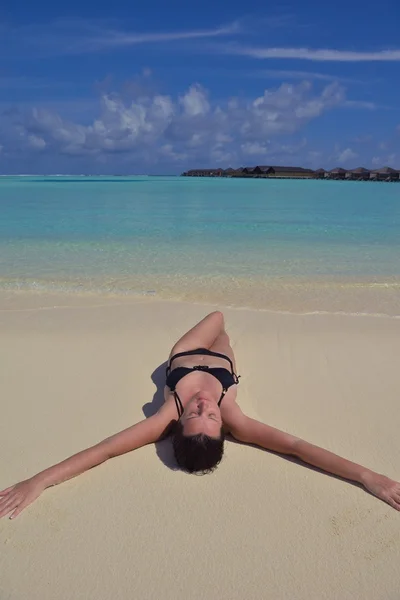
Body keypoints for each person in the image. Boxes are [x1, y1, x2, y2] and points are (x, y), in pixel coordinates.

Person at [1, 311, 399, 520]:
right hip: (223, 359)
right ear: (222, 428)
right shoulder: (234, 417)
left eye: (197, 414)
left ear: (179, 425)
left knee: (217, 315)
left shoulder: (165, 415)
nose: (204, 407)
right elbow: (296, 446)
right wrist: (369, 477)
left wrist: (37, 481)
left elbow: (103, 450)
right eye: (208, 417)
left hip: (186, 351)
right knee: (223, 326)